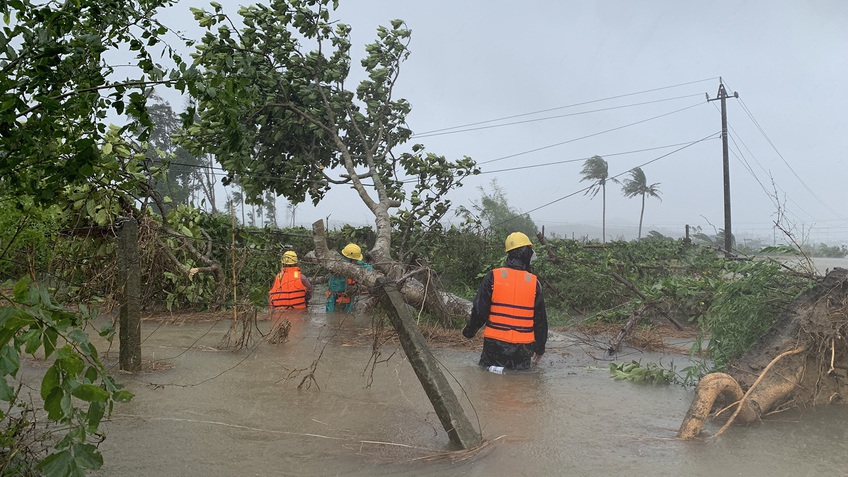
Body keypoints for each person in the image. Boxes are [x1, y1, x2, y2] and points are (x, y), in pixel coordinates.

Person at [462, 232, 548, 370]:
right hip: (523, 349)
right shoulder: (534, 283)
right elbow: (540, 320)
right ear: (527, 253)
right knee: (521, 386)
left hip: (494, 345)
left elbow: (479, 310)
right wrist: (540, 348)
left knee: (488, 383)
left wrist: (469, 332)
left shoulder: (493, 276)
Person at [326, 243, 374, 313]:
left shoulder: (350, 264)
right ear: (351, 259)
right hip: (336, 300)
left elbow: (363, 265)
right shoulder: (337, 266)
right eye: (355, 260)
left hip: (347, 299)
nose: (356, 261)